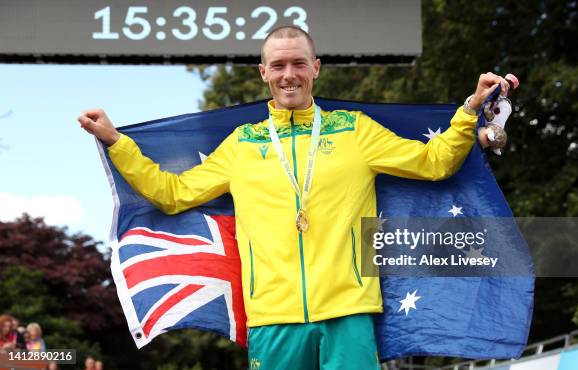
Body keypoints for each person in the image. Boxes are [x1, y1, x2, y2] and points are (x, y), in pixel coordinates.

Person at [78, 26, 509, 370]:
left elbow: (434, 162)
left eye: (298, 63)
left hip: (349, 313)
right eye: (278, 65)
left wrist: (469, 110)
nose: (289, 75)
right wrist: (117, 141)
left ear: (316, 68)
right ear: (263, 72)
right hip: (272, 318)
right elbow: (171, 194)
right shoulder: (242, 145)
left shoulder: (354, 130)